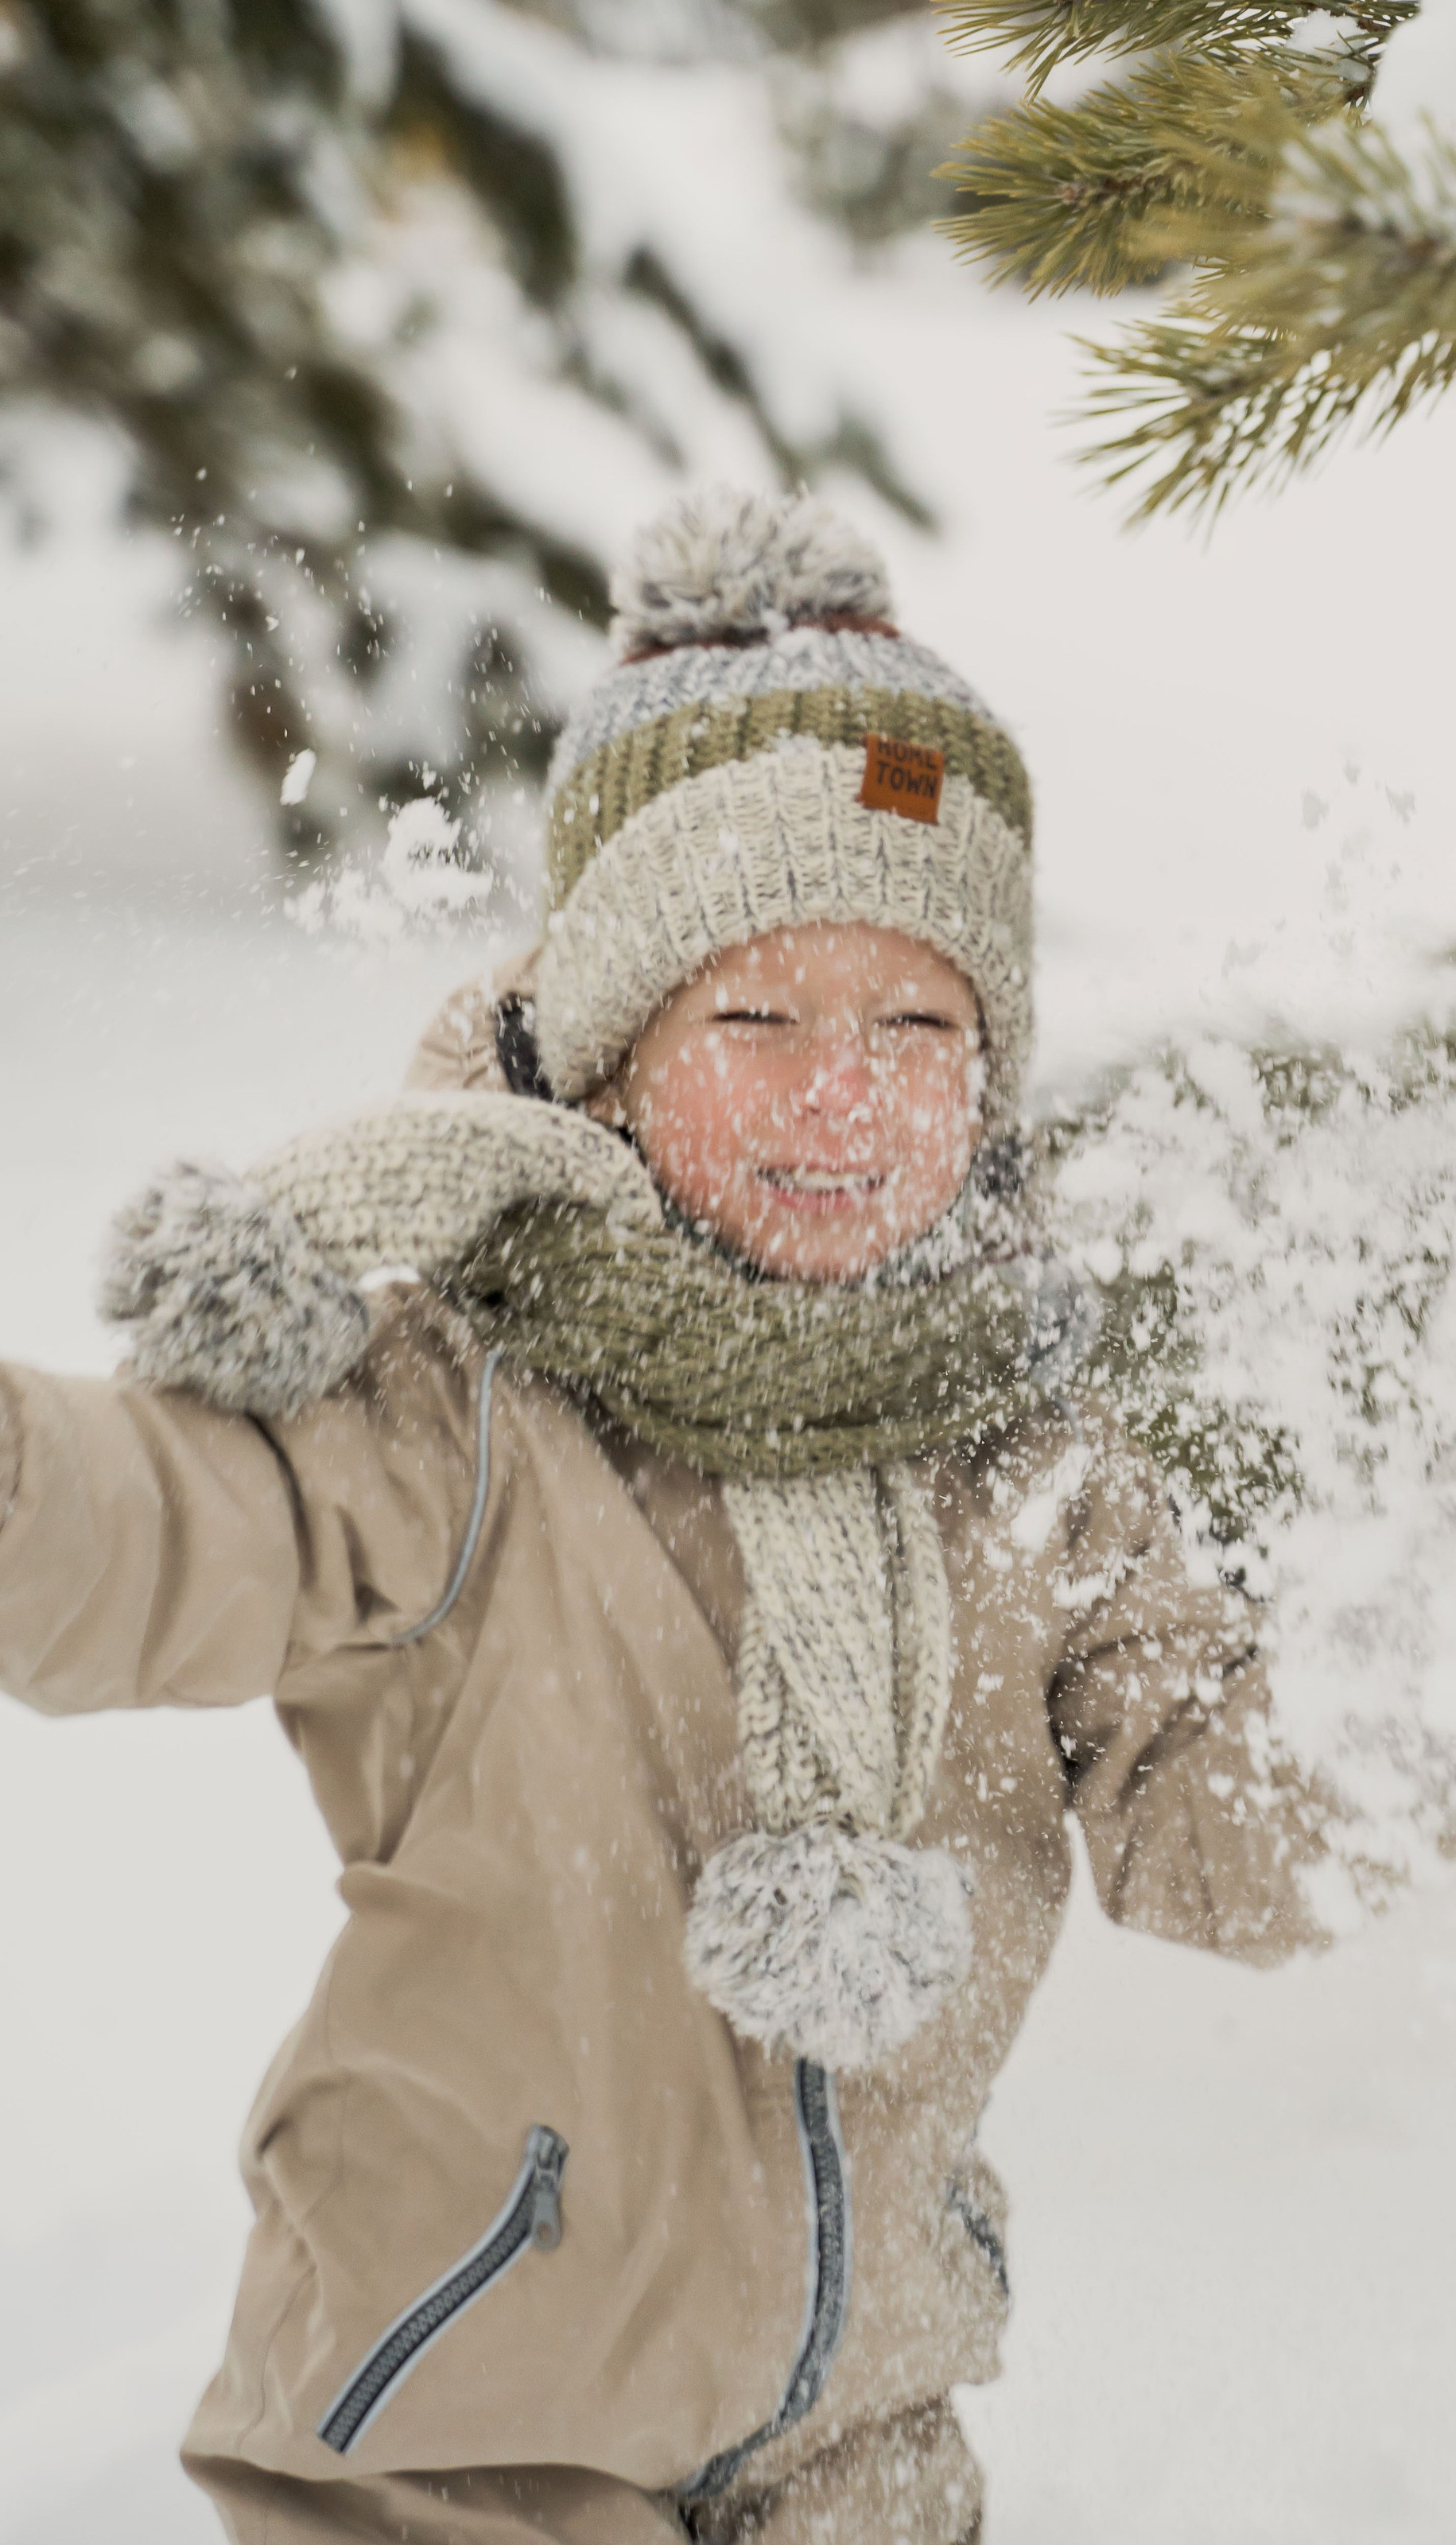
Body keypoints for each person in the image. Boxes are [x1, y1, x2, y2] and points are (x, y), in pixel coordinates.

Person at [0, 489, 1327, 2544]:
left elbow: (1235, 1839)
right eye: (757, 1020)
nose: (843, 1095)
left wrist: (1393, 1758)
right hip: (455, 2420)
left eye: (919, 1026)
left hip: (865, 2431)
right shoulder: (453, 1411)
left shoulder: (1030, 1466)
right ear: (611, 1060)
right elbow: (165, 1520)